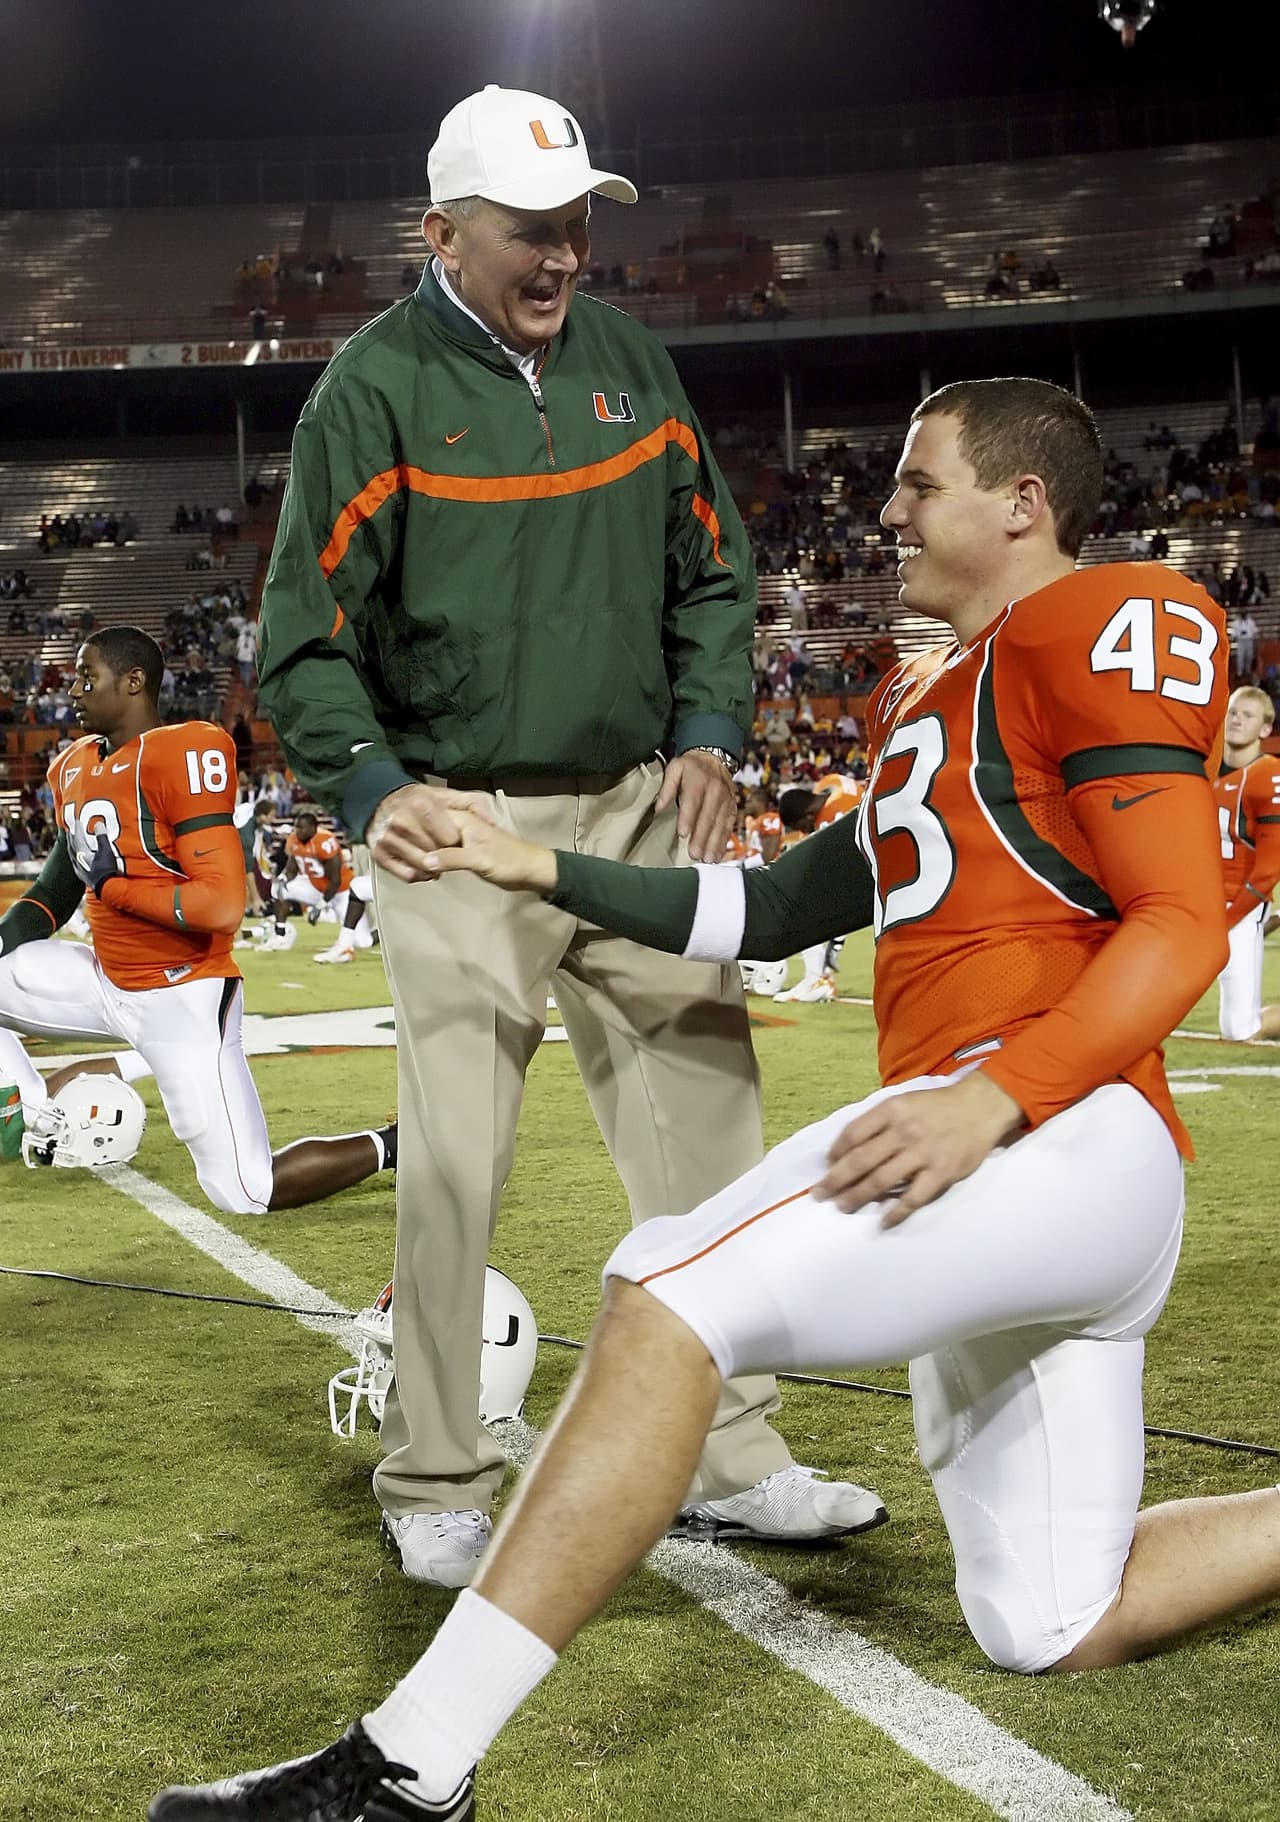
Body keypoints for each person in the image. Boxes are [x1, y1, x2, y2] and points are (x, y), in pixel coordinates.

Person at [152, 379, 1280, 1822]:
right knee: (1048, 1620)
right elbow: (773, 901)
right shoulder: (930, 688)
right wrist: (537, 867)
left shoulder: (1106, 617)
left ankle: (408, 1773)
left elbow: (1183, 918)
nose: (886, 509)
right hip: (1015, 1151)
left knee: (667, 1293)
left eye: (919, 481)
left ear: (1023, 501)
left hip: (1057, 1131)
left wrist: (995, 1098)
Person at [250, 83, 882, 1588]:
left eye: (580, 225)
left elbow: (715, 574)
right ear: (443, 232)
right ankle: (437, 1471)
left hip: (632, 808)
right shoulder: (369, 390)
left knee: (714, 1134)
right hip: (460, 825)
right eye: (533, 231)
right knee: (455, 1156)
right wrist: (373, 783)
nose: (565, 258)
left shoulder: (626, 359)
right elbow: (303, 638)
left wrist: (714, 736)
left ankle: (731, 1455)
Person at [0, 627, 398, 1215]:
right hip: (105, 981)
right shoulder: (73, 766)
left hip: (182, 995)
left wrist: (114, 885)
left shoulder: (184, 751)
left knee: (245, 1190)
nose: (73, 692)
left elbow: (220, 905)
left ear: (134, 682)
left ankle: (396, 1146)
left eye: (88, 678)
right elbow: (54, 890)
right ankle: (31, 1120)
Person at [1212, 685, 1280, 1040]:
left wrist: (1227, 920)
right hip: (1196, 900)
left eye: (1247, 715)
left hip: (1241, 902)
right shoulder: (1203, 768)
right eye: (1233, 712)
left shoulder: (1268, 774)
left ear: (1266, 730)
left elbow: (1269, 870)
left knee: (1239, 1030)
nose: (1237, 719)